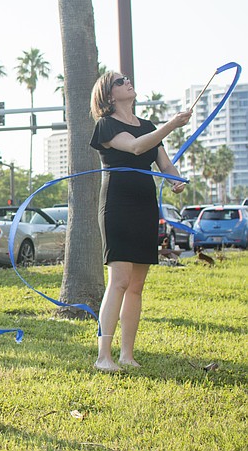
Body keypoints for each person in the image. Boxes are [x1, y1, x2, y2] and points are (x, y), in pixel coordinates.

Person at [89, 71, 192, 373]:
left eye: (126, 79)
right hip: (117, 205)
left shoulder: (147, 126)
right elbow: (135, 147)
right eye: (119, 81)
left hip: (145, 206)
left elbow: (163, 161)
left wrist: (175, 179)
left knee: (136, 286)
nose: (127, 82)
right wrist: (172, 124)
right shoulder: (106, 126)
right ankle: (103, 356)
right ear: (109, 95)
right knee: (119, 280)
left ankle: (127, 355)